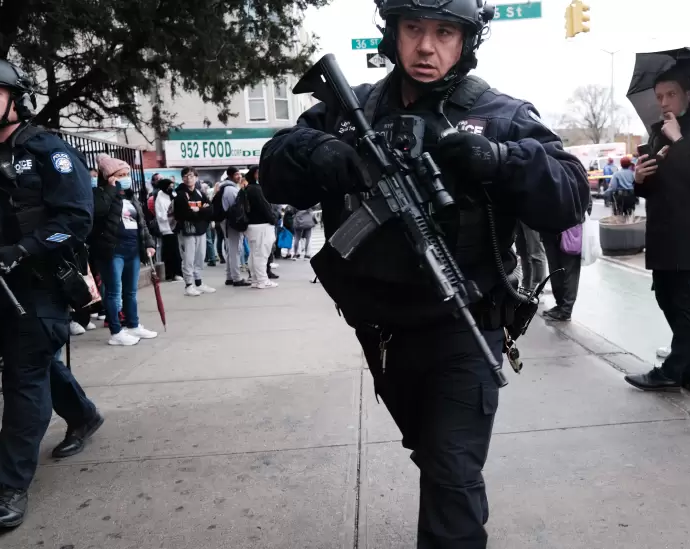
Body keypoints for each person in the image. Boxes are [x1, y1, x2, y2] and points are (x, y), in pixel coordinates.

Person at [258, 0, 589, 545]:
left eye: (443, 32)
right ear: (393, 34)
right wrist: (322, 154)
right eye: (413, 29)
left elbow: (570, 196)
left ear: (466, 42)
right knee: (433, 453)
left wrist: (502, 159)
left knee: (452, 475)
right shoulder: (351, 111)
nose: (427, 46)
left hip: (464, 327)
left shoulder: (501, 113)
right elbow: (274, 168)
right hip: (383, 334)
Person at [0, 57, 104, 529]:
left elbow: (77, 219)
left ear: (14, 100)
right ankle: (83, 415)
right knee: (33, 360)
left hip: (39, 283)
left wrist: (21, 249)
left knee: (24, 380)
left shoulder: (47, 150)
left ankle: (11, 485)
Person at [623, 68, 690, 394]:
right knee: (666, 296)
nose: (664, 102)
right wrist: (640, 179)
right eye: (659, 96)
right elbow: (659, 185)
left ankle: (671, 370)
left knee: (685, 299)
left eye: (671, 94)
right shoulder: (657, 132)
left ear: (688, 95)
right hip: (662, 228)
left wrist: (679, 139)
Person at [90, 154, 159, 345]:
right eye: (121, 175)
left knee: (130, 292)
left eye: (127, 174)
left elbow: (141, 222)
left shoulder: (130, 197)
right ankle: (116, 331)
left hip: (132, 250)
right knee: (113, 292)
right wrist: (112, 189)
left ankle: (133, 325)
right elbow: (99, 211)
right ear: (110, 176)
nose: (126, 178)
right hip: (112, 250)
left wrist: (148, 244)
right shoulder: (100, 195)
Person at [172, 167, 217, 296]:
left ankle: (198, 282)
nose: (188, 178)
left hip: (201, 230)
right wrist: (202, 210)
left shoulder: (199, 192)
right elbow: (185, 214)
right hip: (187, 231)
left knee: (200, 257)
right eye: (185, 176)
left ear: (196, 177)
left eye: (191, 175)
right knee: (188, 258)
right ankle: (188, 285)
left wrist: (199, 211)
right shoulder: (180, 194)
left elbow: (210, 210)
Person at [241, 167, 278, 289]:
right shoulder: (257, 189)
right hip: (262, 226)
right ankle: (262, 280)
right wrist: (274, 219)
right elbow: (265, 208)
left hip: (251, 226)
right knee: (261, 255)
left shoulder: (247, 189)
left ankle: (255, 279)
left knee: (254, 254)